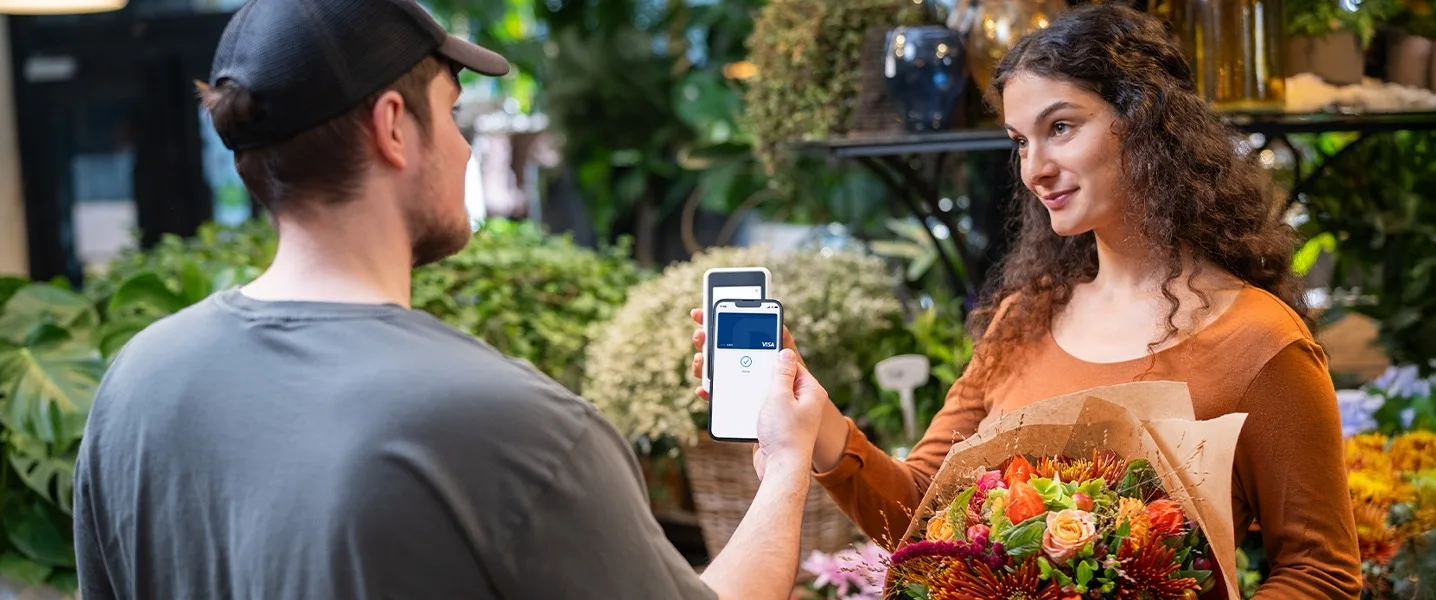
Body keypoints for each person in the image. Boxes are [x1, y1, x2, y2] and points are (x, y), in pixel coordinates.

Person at [72, 1, 827, 599]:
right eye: (455, 112)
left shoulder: (136, 384)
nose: (465, 148)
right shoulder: (513, 427)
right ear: (394, 127)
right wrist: (787, 463)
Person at [690, 4, 1361, 598]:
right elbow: (920, 515)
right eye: (1019, 141)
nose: (1033, 167)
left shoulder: (1262, 343)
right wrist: (816, 418)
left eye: (1061, 127)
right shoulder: (1025, 317)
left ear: (1147, 124)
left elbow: (1321, 574)